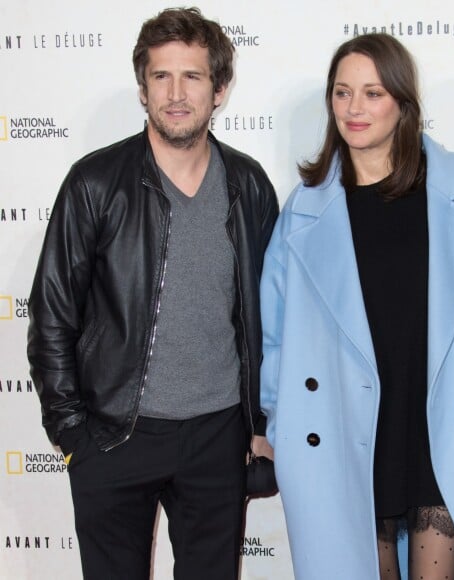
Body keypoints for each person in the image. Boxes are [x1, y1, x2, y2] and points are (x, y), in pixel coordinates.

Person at [260, 33, 454, 580]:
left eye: (373, 93)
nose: (354, 108)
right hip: (348, 433)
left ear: (402, 102)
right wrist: (284, 425)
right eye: (342, 92)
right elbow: (274, 339)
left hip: (442, 429)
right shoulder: (303, 216)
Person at [27, 7, 278, 580]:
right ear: (142, 88)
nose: (176, 93)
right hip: (115, 434)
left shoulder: (248, 184)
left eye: (192, 76)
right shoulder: (94, 184)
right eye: (161, 76)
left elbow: (268, 319)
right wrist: (72, 436)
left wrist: (260, 424)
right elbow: (51, 319)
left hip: (217, 435)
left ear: (220, 89)